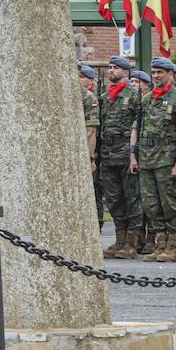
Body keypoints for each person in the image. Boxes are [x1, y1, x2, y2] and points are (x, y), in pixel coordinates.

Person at [131, 57, 176, 263]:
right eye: (154, 72)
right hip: (147, 160)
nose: (156, 76)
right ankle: (160, 244)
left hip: (167, 160)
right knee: (151, 204)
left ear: (170, 74)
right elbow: (136, 128)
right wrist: (134, 155)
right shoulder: (147, 99)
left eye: (160, 72)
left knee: (170, 204)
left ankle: (173, 246)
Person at [100, 56, 143, 259]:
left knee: (131, 198)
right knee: (114, 199)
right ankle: (119, 239)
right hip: (108, 155)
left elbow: (139, 126)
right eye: (109, 67)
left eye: (115, 67)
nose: (111, 70)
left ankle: (132, 243)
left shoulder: (134, 95)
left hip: (126, 153)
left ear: (125, 72)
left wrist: (136, 154)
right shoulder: (104, 96)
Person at [78, 64, 101, 228]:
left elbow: (91, 130)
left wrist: (89, 156)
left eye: (81, 76)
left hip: (84, 151)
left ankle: (95, 227)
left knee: (92, 193)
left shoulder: (88, 98)